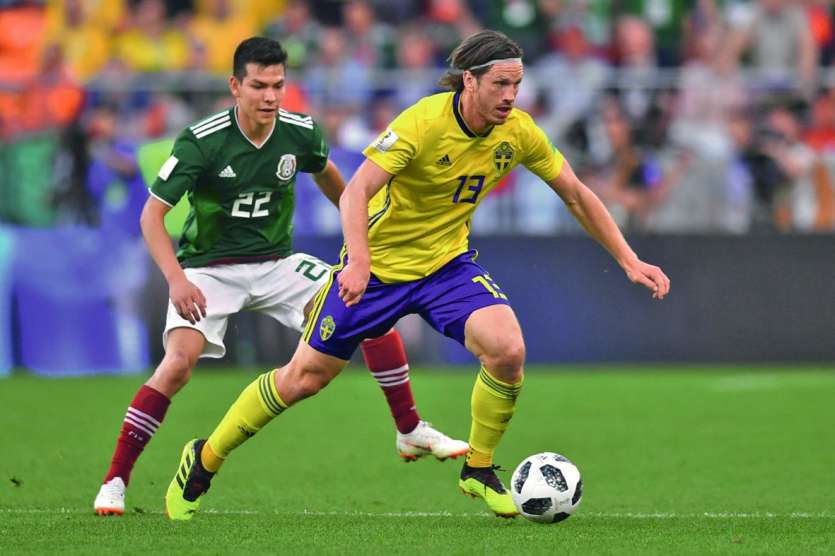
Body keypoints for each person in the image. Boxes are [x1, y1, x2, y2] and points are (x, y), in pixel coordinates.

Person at [163, 30, 670, 521]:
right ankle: (204, 460)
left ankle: (478, 468)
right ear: (469, 82)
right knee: (303, 379)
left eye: (516, 85)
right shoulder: (422, 123)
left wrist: (628, 258)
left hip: (446, 266)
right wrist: (358, 261)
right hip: (379, 269)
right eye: (500, 84)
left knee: (507, 348)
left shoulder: (518, 131)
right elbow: (357, 191)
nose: (510, 96)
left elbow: (576, 193)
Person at [93, 37, 467, 517]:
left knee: (364, 306)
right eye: (259, 86)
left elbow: (333, 177)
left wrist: (362, 235)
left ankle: (410, 428)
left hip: (277, 264)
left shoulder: (299, 132)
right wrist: (177, 280)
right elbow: (151, 216)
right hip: (210, 269)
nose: (270, 96)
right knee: (177, 365)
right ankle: (115, 481)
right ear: (235, 86)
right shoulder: (201, 141)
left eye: (278, 85)